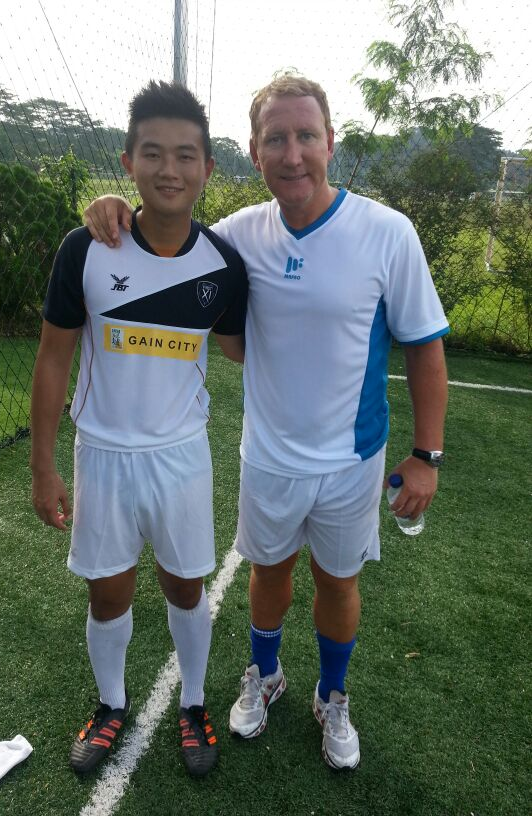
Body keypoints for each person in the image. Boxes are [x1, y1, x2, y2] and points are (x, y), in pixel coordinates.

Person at [82, 73, 448, 771]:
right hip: (269, 456)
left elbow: (425, 347)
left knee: (338, 583)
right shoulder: (236, 237)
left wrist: (426, 454)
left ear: (330, 142)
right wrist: (113, 211)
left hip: (352, 459)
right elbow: (164, 236)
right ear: (254, 153)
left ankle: (332, 695)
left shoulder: (387, 232)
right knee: (268, 573)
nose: (292, 154)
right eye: (276, 139)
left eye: (306, 136)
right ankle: (265, 675)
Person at [30, 80, 247, 778]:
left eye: (185, 155)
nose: (169, 169)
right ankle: (111, 703)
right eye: (152, 153)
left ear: (208, 167)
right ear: (129, 162)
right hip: (103, 456)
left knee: (186, 586)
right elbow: (53, 358)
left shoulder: (224, 266)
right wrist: (43, 466)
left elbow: (244, 348)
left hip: (181, 457)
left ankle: (194, 702)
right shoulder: (88, 247)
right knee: (108, 592)